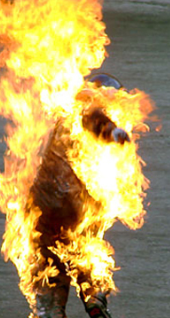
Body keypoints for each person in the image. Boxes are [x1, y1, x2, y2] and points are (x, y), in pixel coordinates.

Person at [28, 74, 130, 318]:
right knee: (86, 252)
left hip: (41, 205)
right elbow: (94, 120)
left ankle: (53, 312)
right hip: (75, 205)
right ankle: (95, 298)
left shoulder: (65, 116)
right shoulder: (86, 113)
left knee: (51, 264)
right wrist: (113, 132)